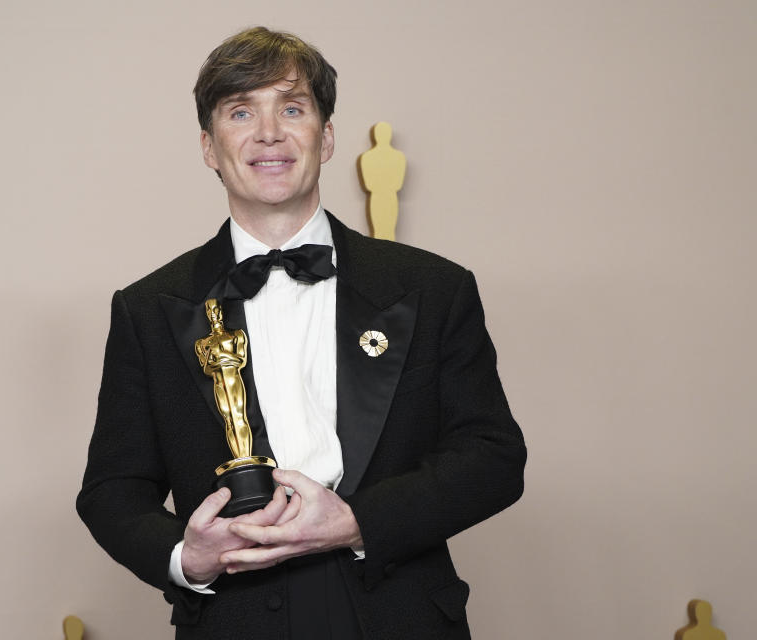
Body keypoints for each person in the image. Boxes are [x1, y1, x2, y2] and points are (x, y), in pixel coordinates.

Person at [77, 26, 526, 640]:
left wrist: (356, 521)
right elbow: (112, 490)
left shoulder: (434, 287)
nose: (269, 133)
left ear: (327, 135)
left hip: (398, 612)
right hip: (232, 615)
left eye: (292, 107)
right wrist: (188, 558)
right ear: (210, 146)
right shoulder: (147, 308)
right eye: (241, 112)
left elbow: (494, 457)